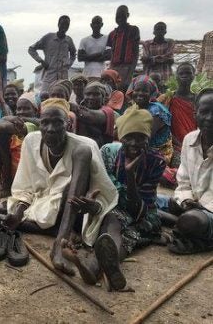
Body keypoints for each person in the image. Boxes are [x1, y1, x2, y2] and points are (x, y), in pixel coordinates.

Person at [4, 98, 117, 275]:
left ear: (69, 125)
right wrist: (18, 213)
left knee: (82, 153)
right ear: (39, 125)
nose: (50, 129)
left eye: (57, 123)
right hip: (43, 207)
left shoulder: (86, 145)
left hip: (74, 209)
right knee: (3, 216)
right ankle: (60, 232)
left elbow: (104, 194)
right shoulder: (31, 141)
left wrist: (93, 206)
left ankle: (60, 243)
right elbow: (24, 187)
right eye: (45, 123)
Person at [63, 107, 166, 290]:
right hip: (111, 208)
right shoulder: (108, 152)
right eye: (129, 137)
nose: (135, 143)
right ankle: (101, 268)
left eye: (141, 137)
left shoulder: (156, 161)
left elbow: (139, 209)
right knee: (114, 224)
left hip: (143, 213)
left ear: (148, 138)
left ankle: (93, 267)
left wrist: (131, 176)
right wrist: (94, 203)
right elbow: (104, 190)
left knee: (127, 230)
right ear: (120, 137)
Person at [166, 89, 213, 254]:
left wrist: (200, 207)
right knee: (151, 199)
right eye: (204, 111)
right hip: (194, 204)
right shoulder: (190, 139)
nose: (209, 118)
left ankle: (186, 230)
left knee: (192, 220)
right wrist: (186, 200)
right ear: (195, 113)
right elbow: (184, 180)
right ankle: (183, 227)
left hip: (207, 210)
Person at [126, 75, 173, 163]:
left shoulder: (156, 110)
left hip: (157, 153)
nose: (140, 93)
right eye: (137, 90)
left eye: (145, 91)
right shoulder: (134, 108)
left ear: (151, 93)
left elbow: (146, 137)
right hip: (137, 147)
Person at [28, 15, 76, 92]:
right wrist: (41, 61)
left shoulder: (68, 40)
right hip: (49, 75)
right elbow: (31, 49)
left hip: (63, 76)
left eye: (67, 25)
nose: (65, 26)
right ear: (58, 24)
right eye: (63, 24)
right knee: (44, 97)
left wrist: (68, 64)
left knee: (63, 98)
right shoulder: (48, 38)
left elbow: (73, 54)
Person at [107, 5, 140, 92]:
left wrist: (130, 73)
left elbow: (136, 52)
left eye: (122, 16)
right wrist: (110, 68)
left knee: (124, 91)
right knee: (112, 92)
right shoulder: (112, 34)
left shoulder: (133, 30)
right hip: (114, 67)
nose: (120, 19)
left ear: (128, 15)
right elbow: (111, 52)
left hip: (127, 68)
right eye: (117, 16)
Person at [74, 82, 117, 147]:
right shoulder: (81, 109)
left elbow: (90, 117)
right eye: (88, 94)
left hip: (99, 151)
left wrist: (71, 107)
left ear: (103, 97)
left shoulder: (108, 111)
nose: (91, 97)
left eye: (96, 94)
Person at [142, 22, 175, 91]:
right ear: (154, 32)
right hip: (149, 77)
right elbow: (145, 59)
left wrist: (151, 59)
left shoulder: (170, 42)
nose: (159, 31)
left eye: (162, 29)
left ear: (165, 31)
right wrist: (164, 59)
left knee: (165, 97)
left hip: (166, 77)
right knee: (150, 95)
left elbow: (170, 60)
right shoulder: (147, 43)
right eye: (157, 29)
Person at [78, 16, 111, 82]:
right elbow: (80, 58)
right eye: (94, 23)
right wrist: (99, 54)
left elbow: (108, 56)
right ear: (91, 25)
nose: (96, 25)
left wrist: (88, 57)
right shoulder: (84, 40)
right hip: (87, 75)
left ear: (102, 25)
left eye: (98, 23)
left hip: (101, 74)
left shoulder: (107, 38)